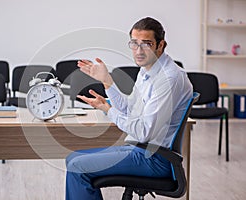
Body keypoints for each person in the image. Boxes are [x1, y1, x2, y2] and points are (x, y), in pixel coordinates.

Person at [65, 17, 193, 200]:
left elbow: (143, 132)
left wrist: (109, 111)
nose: (139, 51)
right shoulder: (148, 68)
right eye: (134, 43)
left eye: (146, 44)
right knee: (73, 158)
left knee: (78, 167)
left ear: (160, 45)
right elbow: (129, 109)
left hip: (155, 158)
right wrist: (107, 82)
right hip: (140, 148)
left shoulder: (168, 79)